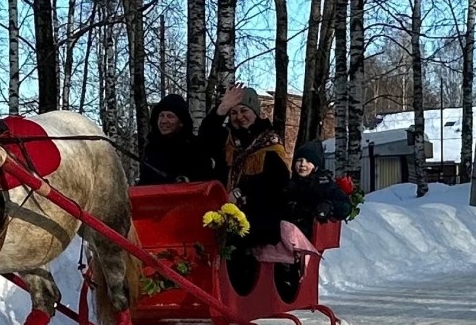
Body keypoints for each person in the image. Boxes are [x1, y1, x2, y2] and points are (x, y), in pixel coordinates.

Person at [198, 83, 290, 246]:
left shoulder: (269, 142)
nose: (239, 116)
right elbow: (205, 139)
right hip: (224, 216)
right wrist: (221, 110)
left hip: (258, 222)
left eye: (244, 111)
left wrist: (242, 191)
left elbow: (278, 181)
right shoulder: (227, 140)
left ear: (255, 112)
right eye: (233, 112)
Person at [138, 93, 211, 185]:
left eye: (170, 116)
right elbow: (145, 182)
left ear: (181, 122)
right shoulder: (152, 148)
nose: (164, 121)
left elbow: (205, 180)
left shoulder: (195, 148)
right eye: (161, 115)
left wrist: (186, 180)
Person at [284, 142, 352, 239]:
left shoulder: (324, 184)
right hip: (288, 238)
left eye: (308, 161)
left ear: (315, 166)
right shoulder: (288, 185)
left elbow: (345, 206)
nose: (302, 164)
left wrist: (329, 206)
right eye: (299, 160)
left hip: (315, 239)